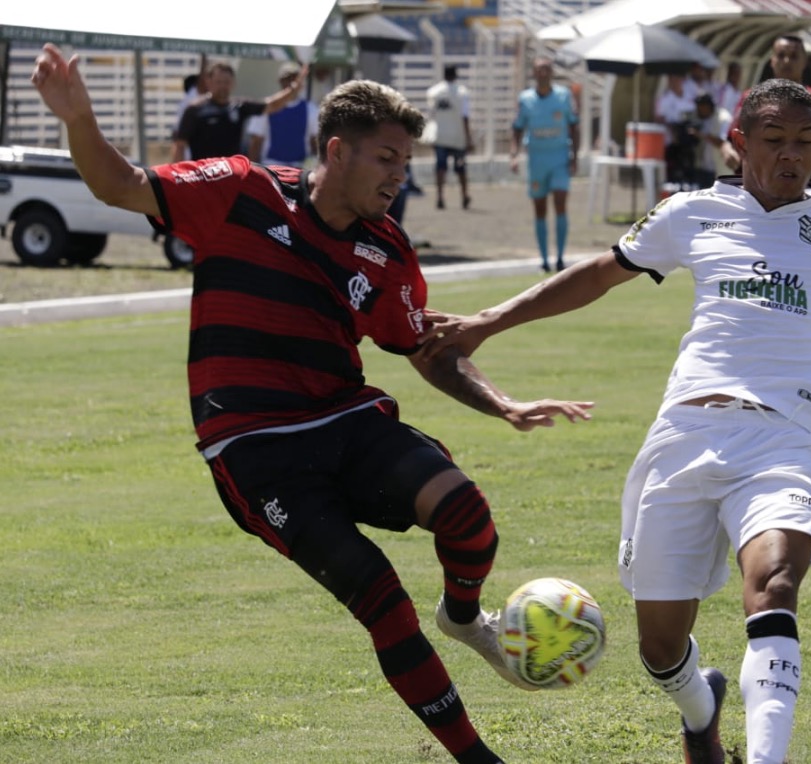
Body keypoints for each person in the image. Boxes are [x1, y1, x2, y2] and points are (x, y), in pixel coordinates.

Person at [418, 79, 811, 764]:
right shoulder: (690, 213)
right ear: (738, 144)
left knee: (774, 584)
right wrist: (487, 323)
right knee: (660, 647)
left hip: (782, 439)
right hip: (684, 437)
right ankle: (700, 712)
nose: (793, 156)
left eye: (806, 141)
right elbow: (595, 275)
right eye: (775, 141)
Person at [31, 42, 594, 764]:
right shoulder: (240, 190)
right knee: (381, 600)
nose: (400, 176)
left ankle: (463, 617)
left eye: (406, 162)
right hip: (255, 449)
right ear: (339, 150)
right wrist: (79, 119)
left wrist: (504, 404)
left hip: (345, 418)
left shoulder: (386, 251)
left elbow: (424, 346)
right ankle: (476, 758)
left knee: (468, 517)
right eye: (388, 158)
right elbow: (121, 185)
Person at [720, 34, 811, 186]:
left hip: (802, 190)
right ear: (772, 60)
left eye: (793, 56)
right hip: (753, 189)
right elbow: (729, 140)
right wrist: (727, 151)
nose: (787, 61)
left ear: (804, 61)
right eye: (781, 55)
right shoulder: (750, 99)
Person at [510, 57, 580, 273]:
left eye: (547, 69)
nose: (543, 73)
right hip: (537, 160)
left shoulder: (563, 96)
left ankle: (560, 257)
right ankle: (544, 258)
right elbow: (517, 127)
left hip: (559, 157)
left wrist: (574, 156)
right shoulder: (526, 99)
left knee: (560, 202)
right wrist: (514, 154)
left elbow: (574, 126)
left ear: (551, 73)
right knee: (540, 208)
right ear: (533, 73)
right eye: (539, 69)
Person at [172, 60, 304, 162]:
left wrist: (293, 90)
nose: (223, 86)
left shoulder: (240, 106)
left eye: (226, 82)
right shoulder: (194, 109)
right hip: (202, 175)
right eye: (218, 82)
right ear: (209, 82)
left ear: (233, 83)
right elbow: (180, 145)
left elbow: (271, 105)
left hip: (232, 175)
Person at [245, 62, 320, 168]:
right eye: (287, 79)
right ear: (280, 81)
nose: (291, 83)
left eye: (295, 79)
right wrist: (252, 169)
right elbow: (256, 142)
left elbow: (315, 142)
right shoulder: (266, 107)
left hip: (299, 168)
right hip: (271, 167)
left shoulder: (311, 109)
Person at [426, 64, 474, 210]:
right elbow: (465, 116)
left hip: (440, 135)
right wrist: (468, 138)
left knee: (440, 167)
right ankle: (464, 195)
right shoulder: (462, 92)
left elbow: (431, 115)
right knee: (460, 167)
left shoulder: (434, 92)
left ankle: (440, 196)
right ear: (456, 75)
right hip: (457, 137)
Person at [687, 93, 732, 188]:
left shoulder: (723, 118)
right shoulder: (699, 117)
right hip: (702, 169)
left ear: (708, 106)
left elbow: (723, 143)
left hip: (718, 171)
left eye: (701, 106)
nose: (699, 109)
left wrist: (701, 135)